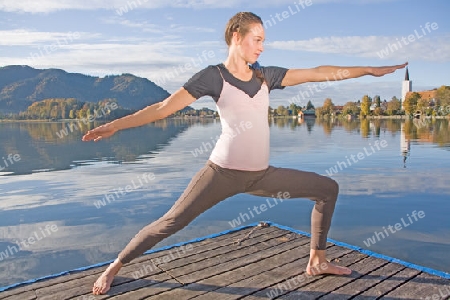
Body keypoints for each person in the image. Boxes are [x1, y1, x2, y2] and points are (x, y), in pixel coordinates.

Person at [82, 11, 407, 295]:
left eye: (264, 41)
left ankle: (317, 261)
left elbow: (318, 72)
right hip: (220, 174)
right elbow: (164, 108)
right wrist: (116, 126)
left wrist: (367, 70)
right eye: (257, 39)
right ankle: (114, 267)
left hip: (261, 176)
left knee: (327, 189)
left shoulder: (267, 76)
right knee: (170, 222)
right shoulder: (213, 77)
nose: (262, 46)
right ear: (236, 37)